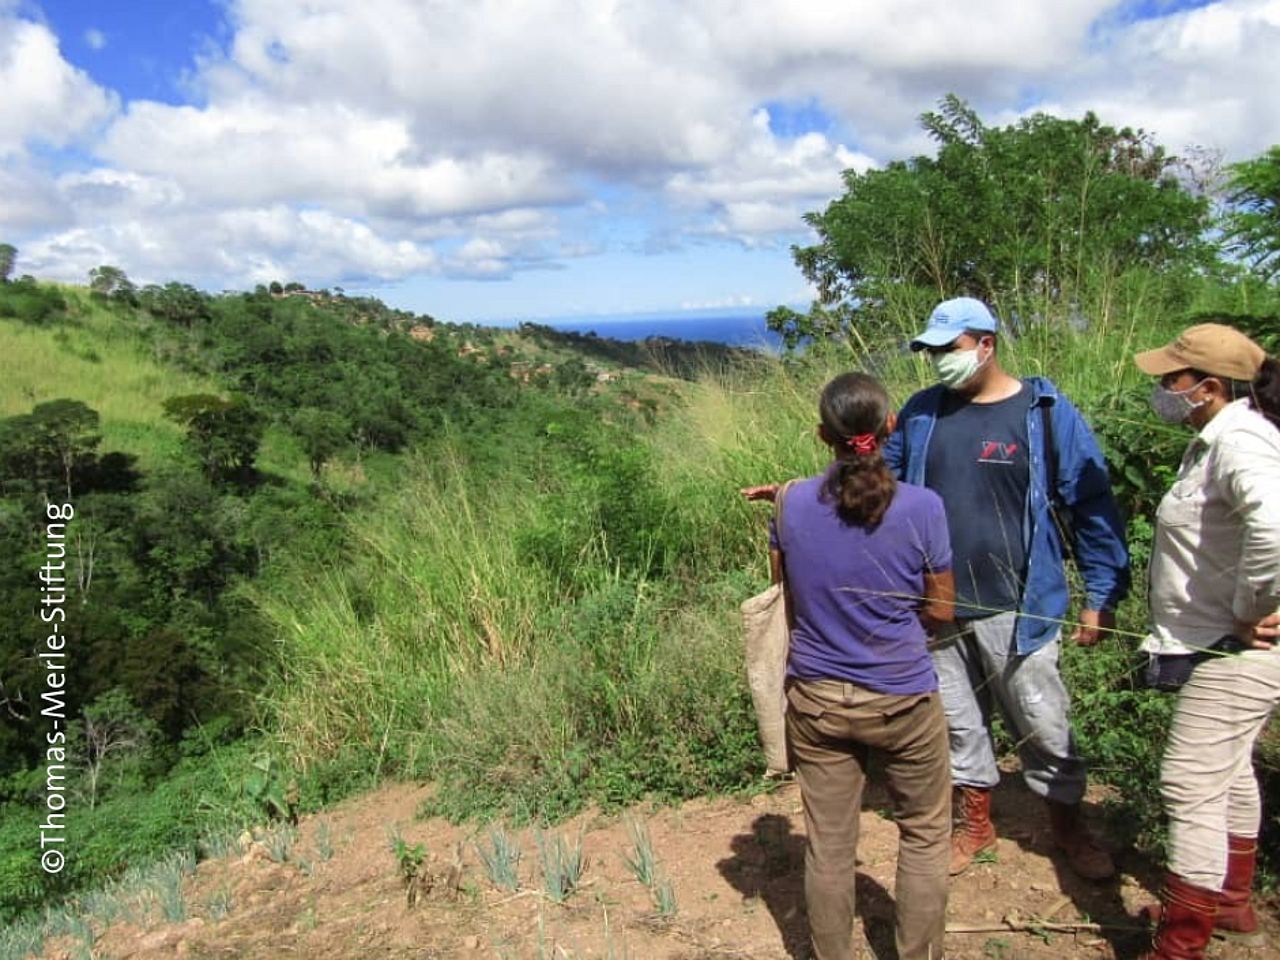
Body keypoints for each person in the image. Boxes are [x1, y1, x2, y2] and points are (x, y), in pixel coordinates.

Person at [882, 297, 1130, 880]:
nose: (939, 360)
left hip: (1019, 607)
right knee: (958, 723)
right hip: (937, 606)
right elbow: (882, 486)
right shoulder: (921, 412)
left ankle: (1068, 829)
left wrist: (1101, 594)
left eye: (950, 348)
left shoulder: (1042, 412)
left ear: (986, 344)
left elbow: (1091, 503)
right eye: (932, 351)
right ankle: (976, 824)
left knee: (1042, 721)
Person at [746, 372, 956, 960]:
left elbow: (784, 592)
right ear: (890, 427)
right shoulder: (924, 508)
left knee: (830, 848)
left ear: (822, 435)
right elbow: (941, 608)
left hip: (814, 699)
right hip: (903, 698)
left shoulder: (789, 505)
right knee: (923, 835)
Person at [1130, 323, 1280, 960]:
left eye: (1172, 379)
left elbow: (1273, 529)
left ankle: (1180, 944)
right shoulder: (1214, 439)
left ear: (1210, 387)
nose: (1163, 388)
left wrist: (1256, 609)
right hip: (1216, 640)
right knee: (1229, 769)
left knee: (1189, 782)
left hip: (1238, 648)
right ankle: (1230, 904)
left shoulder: (1242, 441)